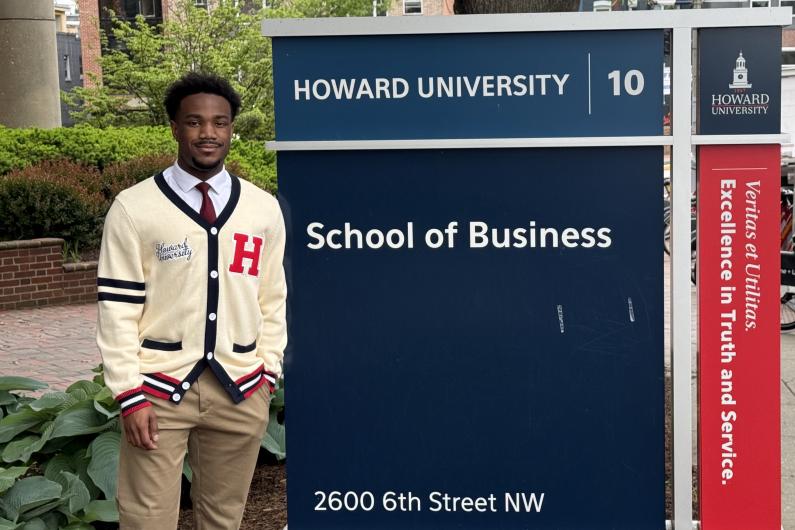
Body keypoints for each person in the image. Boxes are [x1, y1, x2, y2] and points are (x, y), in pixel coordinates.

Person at [96, 72, 286, 529]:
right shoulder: (134, 207)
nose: (209, 133)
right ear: (175, 128)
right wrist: (128, 394)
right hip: (158, 391)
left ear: (231, 129)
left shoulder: (262, 208)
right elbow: (118, 308)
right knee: (147, 520)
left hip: (240, 389)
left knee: (223, 519)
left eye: (220, 123)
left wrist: (268, 372)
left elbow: (272, 298)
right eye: (195, 122)